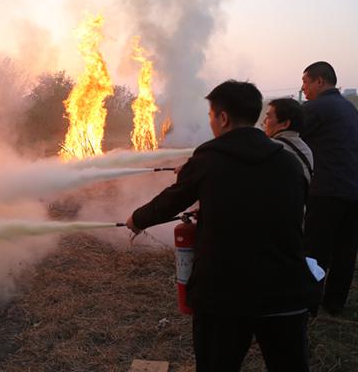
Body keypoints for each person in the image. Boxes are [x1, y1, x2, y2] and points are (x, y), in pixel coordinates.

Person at [126, 80, 319, 372]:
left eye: (211, 116)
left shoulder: (209, 158)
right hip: (286, 289)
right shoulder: (288, 160)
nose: (211, 123)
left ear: (223, 118)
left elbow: (171, 201)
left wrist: (137, 220)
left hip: (224, 294)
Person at [300, 61, 358, 315]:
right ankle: (335, 304)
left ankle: (309, 304)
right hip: (352, 190)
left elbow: (288, 133)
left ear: (320, 81)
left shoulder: (315, 108)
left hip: (326, 190)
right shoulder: (349, 108)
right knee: (346, 250)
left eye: (305, 82)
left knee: (316, 249)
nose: (303, 88)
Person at [262, 98, 313, 185]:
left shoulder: (272, 148)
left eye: (269, 117)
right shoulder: (306, 149)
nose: (264, 121)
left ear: (285, 124)